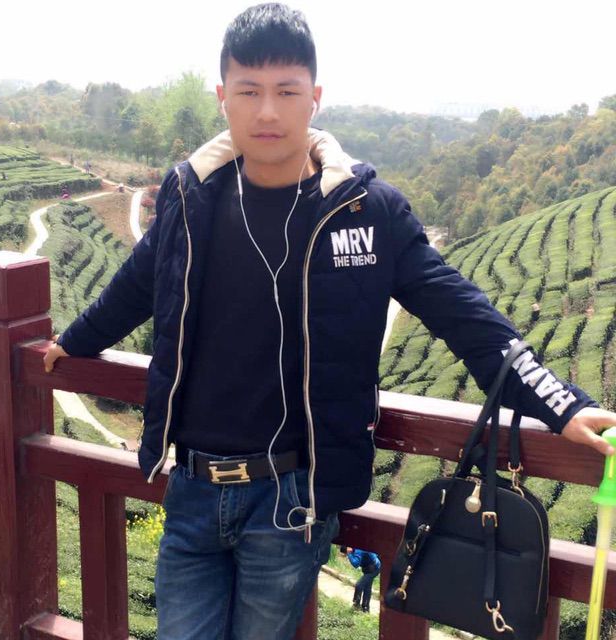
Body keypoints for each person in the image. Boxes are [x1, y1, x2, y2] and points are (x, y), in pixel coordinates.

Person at [42, 4, 616, 639]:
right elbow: (133, 289)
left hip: (293, 501)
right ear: (222, 98)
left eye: (286, 91)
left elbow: (461, 313)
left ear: (314, 98)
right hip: (194, 489)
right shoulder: (190, 198)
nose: (267, 111)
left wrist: (560, 403)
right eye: (248, 91)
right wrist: (73, 342)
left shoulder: (366, 212)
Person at [340, 546, 381, 613]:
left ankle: (356, 605)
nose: (346, 554)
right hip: (368, 569)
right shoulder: (354, 550)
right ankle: (366, 609)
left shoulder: (357, 550)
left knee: (359, 585)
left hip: (374, 568)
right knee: (367, 588)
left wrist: (349, 554)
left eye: (345, 553)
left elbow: (356, 564)